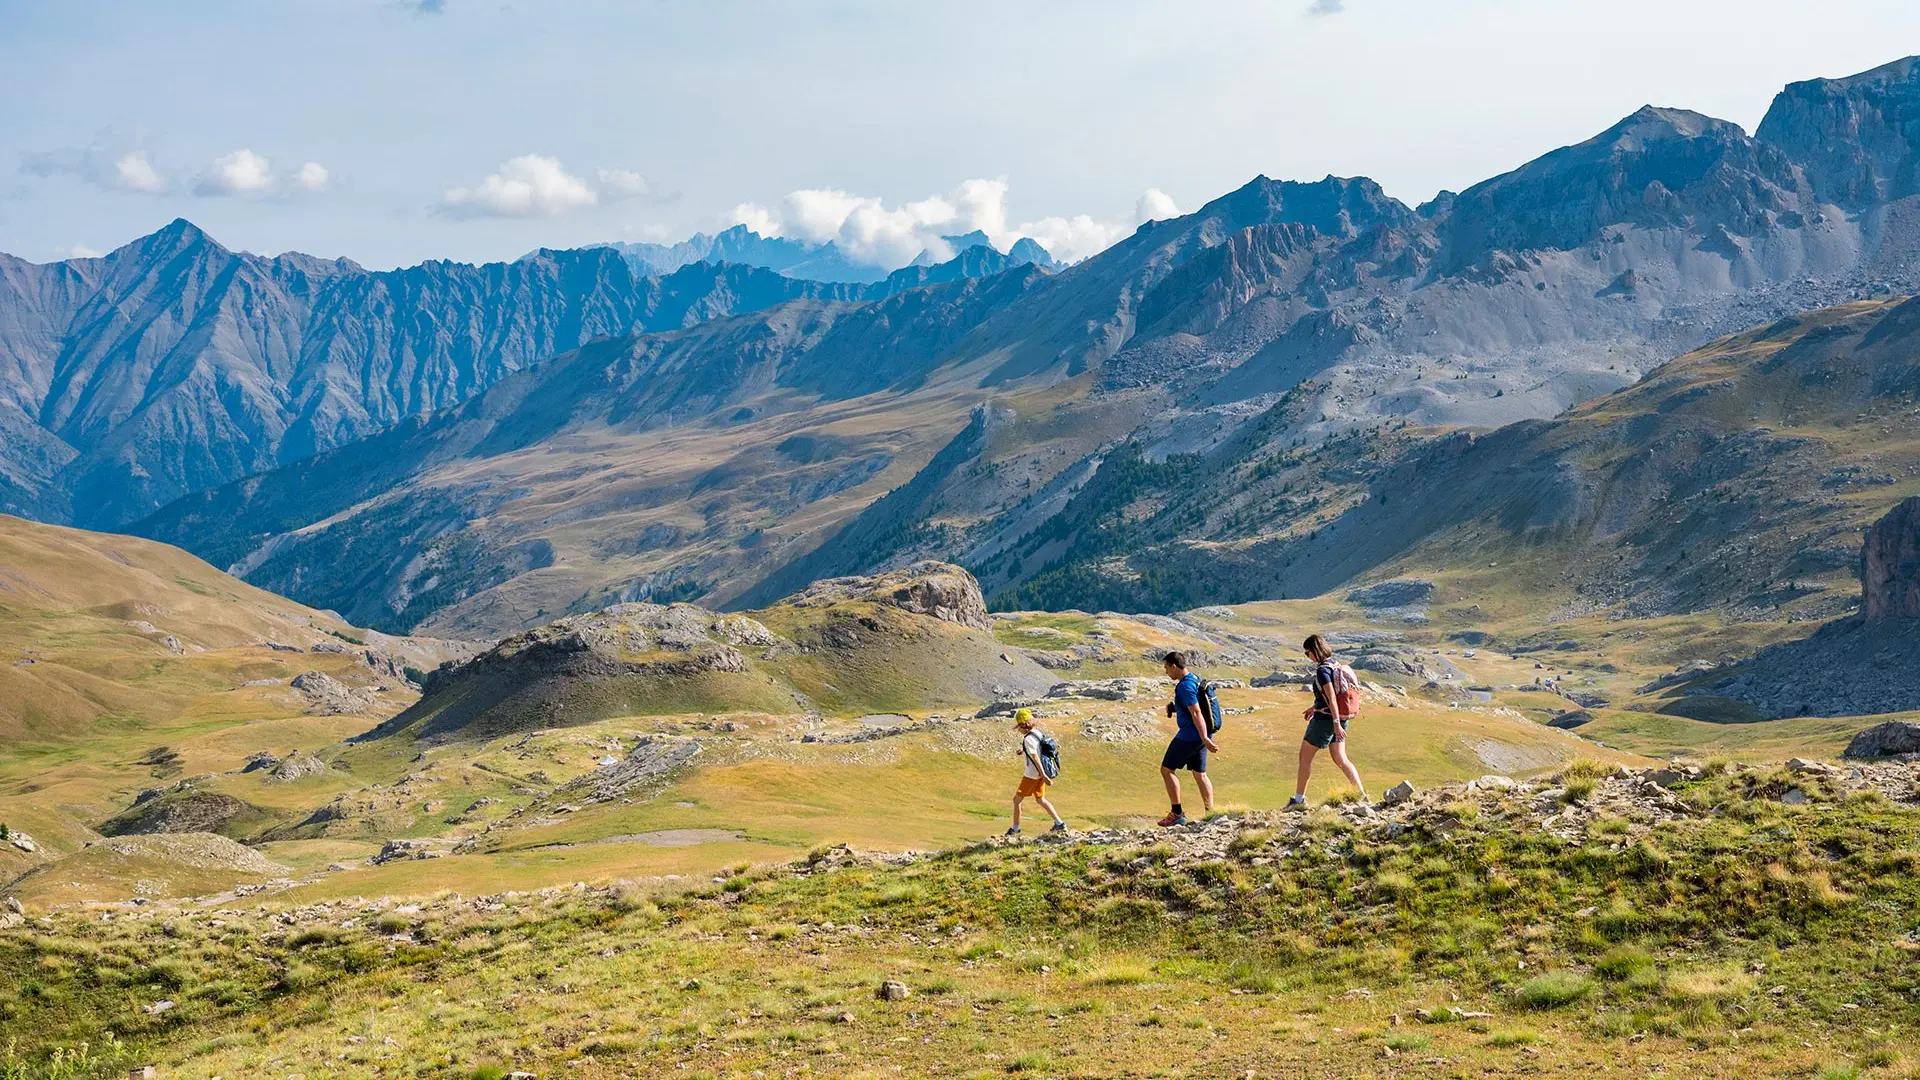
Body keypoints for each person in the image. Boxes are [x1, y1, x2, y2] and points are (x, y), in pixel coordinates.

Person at [1289, 633, 1366, 809]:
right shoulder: (1335, 664)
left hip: (1326, 721)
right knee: (1341, 758)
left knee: (1304, 758)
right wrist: (1314, 707)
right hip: (1341, 717)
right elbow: (1333, 697)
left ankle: (1299, 800)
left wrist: (1335, 724)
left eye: (1307, 652)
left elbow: (1332, 698)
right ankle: (1361, 794)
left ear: (1315, 651)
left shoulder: (1323, 670)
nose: (1307, 656)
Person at [1157, 651, 1219, 826]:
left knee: (1167, 770)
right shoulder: (1194, 678)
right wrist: (1176, 708)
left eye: (1167, 668)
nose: (1166, 672)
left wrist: (1204, 737)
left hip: (1190, 736)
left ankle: (1177, 813)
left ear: (1174, 666)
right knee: (1200, 774)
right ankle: (1211, 813)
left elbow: (1196, 712)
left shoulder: (1184, 686)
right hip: (1199, 735)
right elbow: (1194, 706)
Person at [1007, 708, 1066, 836]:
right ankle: (1059, 823)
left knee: (1017, 800)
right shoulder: (1037, 733)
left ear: (1023, 725)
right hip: (1040, 774)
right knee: (1040, 799)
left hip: (1032, 775)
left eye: (1018, 726)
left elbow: (1035, 757)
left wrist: (1044, 776)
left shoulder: (1028, 739)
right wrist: (1023, 751)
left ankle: (1015, 829)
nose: (1018, 730)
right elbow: (1038, 748)